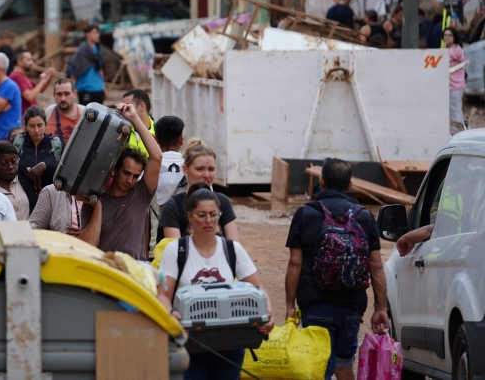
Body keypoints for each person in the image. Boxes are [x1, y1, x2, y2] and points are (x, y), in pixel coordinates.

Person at [285, 158, 388, 380]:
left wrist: (289, 305)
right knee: (343, 366)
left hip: (315, 303)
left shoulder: (305, 214)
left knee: (318, 367)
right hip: (351, 305)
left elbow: (295, 262)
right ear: (349, 186)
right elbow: (377, 265)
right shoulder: (364, 216)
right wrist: (380, 307)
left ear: (321, 182)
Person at [158, 183, 273, 380]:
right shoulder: (176, 250)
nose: (208, 220)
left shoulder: (232, 249)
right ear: (190, 216)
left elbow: (258, 288)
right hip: (190, 344)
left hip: (230, 343)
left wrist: (268, 315)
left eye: (214, 214)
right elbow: (163, 295)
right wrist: (171, 315)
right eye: (201, 215)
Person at [78, 102, 163, 261]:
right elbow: (88, 246)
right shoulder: (94, 201)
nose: (130, 180)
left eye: (135, 176)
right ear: (115, 170)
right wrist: (97, 208)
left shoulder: (141, 194)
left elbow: (157, 157)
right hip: (106, 274)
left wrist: (134, 118)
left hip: (134, 273)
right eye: (126, 173)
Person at [158, 140, 239, 242]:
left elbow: (234, 248)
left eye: (211, 169)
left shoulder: (223, 202)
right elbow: (177, 252)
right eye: (200, 169)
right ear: (185, 170)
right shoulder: (173, 207)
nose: (206, 175)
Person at [12, 106, 63, 211]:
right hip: (23, 203)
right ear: (26, 126)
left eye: (40, 125)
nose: (36, 130)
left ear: (45, 124)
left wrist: (45, 166)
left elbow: (66, 170)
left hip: (52, 202)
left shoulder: (57, 145)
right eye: (32, 126)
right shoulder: (17, 143)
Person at [0, 140, 30, 221]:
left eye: (14, 161)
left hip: (31, 232)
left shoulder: (27, 177)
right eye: (4, 163)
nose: (10, 166)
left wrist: (43, 165)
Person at [67, 24, 105, 105]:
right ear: (87, 34)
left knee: (99, 116)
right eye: (95, 33)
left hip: (99, 88)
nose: (97, 35)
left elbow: (100, 69)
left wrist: (104, 86)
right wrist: (71, 90)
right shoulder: (81, 51)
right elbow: (74, 70)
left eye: (98, 33)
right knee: (87, 116)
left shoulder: (99, 50)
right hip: (85, 88)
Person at [9, 50, 55, 115]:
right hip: (24, 118)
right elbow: (29, 96)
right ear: (19, 62)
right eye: (29, 60)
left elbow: (40, 89)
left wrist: (49, 77)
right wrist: (42, 81)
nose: (32, 63)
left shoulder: (23, 76)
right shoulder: (16, 76)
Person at [45, 77, 86, 144]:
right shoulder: (48, 113)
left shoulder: (84, 114)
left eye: (67, 94)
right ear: (54, 95)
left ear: (75, 94)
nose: (63, 98)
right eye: (59, 94)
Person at [121, 88, 156, 158]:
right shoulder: (122, 130)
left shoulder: (159, 131)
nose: (123, 110)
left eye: (128, 106)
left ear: (141, 106)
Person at [445, 27, 466, 134]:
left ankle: (459, 131)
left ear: (454, 37)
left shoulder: (455, 51)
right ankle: (456, 130)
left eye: (449, 35)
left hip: (456, 85)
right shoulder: (448, 50)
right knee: (453, 108)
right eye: (445, 35)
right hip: (449, 85)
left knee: (455, 108)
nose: (447, 37)